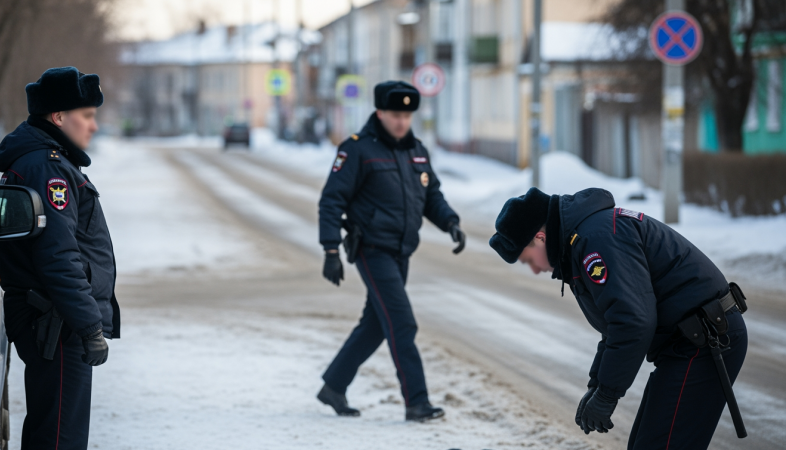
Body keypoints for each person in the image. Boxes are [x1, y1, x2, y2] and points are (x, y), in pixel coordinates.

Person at [488, 187, 748, 449]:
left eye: (528, 259)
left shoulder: (595, 240)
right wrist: (597, 385)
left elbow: (633, 322)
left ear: (540, 237)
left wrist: (607, 394)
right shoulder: (582, 238)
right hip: (690, 341)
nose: (534, 270)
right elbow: (616, 324)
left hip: (707, 340)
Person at [316, 81, 465, 422]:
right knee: (401, 323)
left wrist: (450, 223)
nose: (401, 122)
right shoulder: (357, 150)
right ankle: (417, 401)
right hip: (371, 248)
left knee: (375, 324)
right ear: (380, 112)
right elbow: (331, 200)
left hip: (401, 251)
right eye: (395, 114)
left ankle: (333, 386)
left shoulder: (417, 151)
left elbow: (432, 197)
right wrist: (330, 249)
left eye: (407, 115)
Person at [0, 67, 120, 449]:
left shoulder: (47, 161)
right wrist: (89, 326)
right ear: (59, 118)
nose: (93, 127)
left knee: (50, 429)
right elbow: (59, 257)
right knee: (60, 439)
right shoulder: (47, 168)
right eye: (87, 116)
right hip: (57, 323)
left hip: (54, 319)